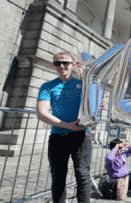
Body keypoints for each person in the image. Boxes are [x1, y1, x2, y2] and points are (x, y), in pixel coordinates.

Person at [36, 52, 105, 203]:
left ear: (72, 65)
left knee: (83, 175)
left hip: (81, 135)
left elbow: (93, 106)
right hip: (58, 136)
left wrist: (98, 104)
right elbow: (41, 113)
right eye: (57, 63)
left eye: (66, 63)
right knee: (58, 177)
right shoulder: (47, 86)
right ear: (54, 65)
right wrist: (67, 126)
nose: (62, 66)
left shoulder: (84, 85)